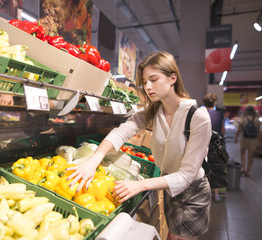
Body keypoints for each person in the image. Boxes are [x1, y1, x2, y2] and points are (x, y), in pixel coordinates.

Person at [68, 51, 212, 240]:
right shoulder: (154, 111)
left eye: (153, 79)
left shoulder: (198, 117)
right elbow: (121, 131)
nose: (148, 87)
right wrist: (94, 159)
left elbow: (186, 176)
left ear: (172, 78)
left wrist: (141, 184)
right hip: (168, 185)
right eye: (144, 82)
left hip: (192, 192)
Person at [203, 93, 225, 202]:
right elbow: (223, 130)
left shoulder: (201, 114)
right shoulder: (220, 115)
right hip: (216, 144)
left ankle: (205, 193)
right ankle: (216, 194)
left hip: (203, 144)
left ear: (203, 103)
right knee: (216, 168)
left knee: (203, 168)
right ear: (215, 103)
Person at [233, 106, 260, 177]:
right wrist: (260, 141)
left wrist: (236, 138)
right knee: (251, 156)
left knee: (243, 153)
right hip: (254, 139)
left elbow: (239, 130)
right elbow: (259, 132)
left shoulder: (243, 119)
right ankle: (248, 172)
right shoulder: (257, 120)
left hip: (244, 138)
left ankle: (243, 168)